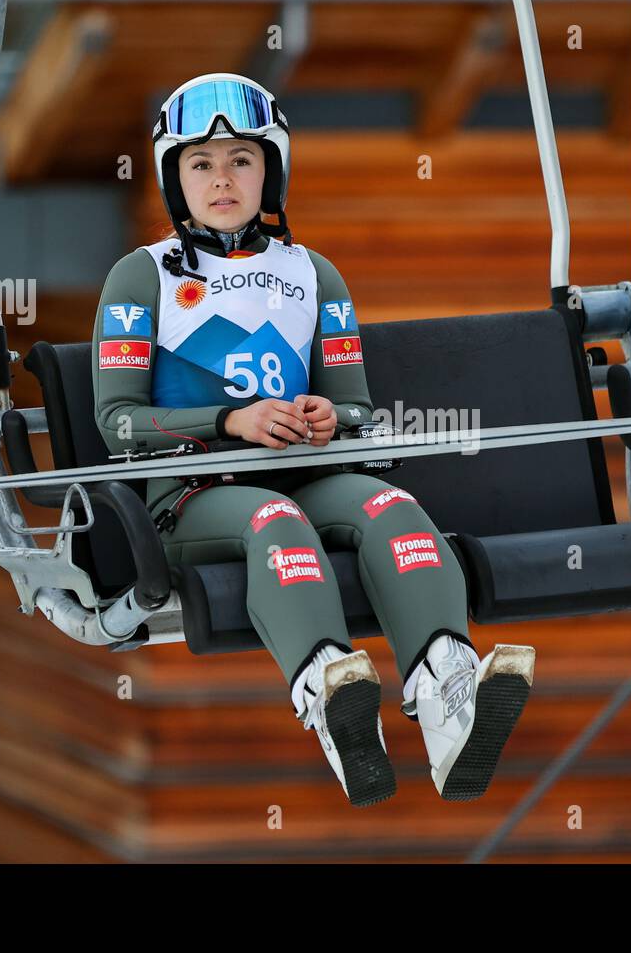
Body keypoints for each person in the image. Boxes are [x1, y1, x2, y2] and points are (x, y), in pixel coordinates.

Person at [90, 73, 535, 807]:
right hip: (197, 494)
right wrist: (231, 423)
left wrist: (333, 419)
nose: (223, 179)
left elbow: (356, 408)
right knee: (279, 524)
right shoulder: (142, 279)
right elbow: (118, 424)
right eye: (200, 164)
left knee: (393, 507)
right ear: (175, 179)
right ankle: (336, 700)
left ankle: (450, 697)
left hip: (306, 468)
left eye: (241, 159)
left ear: (272, 169)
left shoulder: (312, 273)